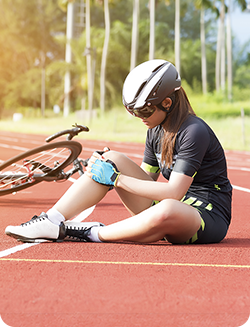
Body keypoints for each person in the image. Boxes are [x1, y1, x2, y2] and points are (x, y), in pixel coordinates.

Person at [5, 59, 232, 245]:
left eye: (144, 110)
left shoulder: (194, 131)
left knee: (168, 208)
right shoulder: (155, 129)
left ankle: (93, 233)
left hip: (206, 216)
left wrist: (116, 179)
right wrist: (104, 170)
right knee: (111, 158)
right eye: (133, 112)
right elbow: (146, 181)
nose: (140, 117)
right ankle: (51, 221)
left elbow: (173, 192)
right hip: (167, 207)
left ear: (167, 103)